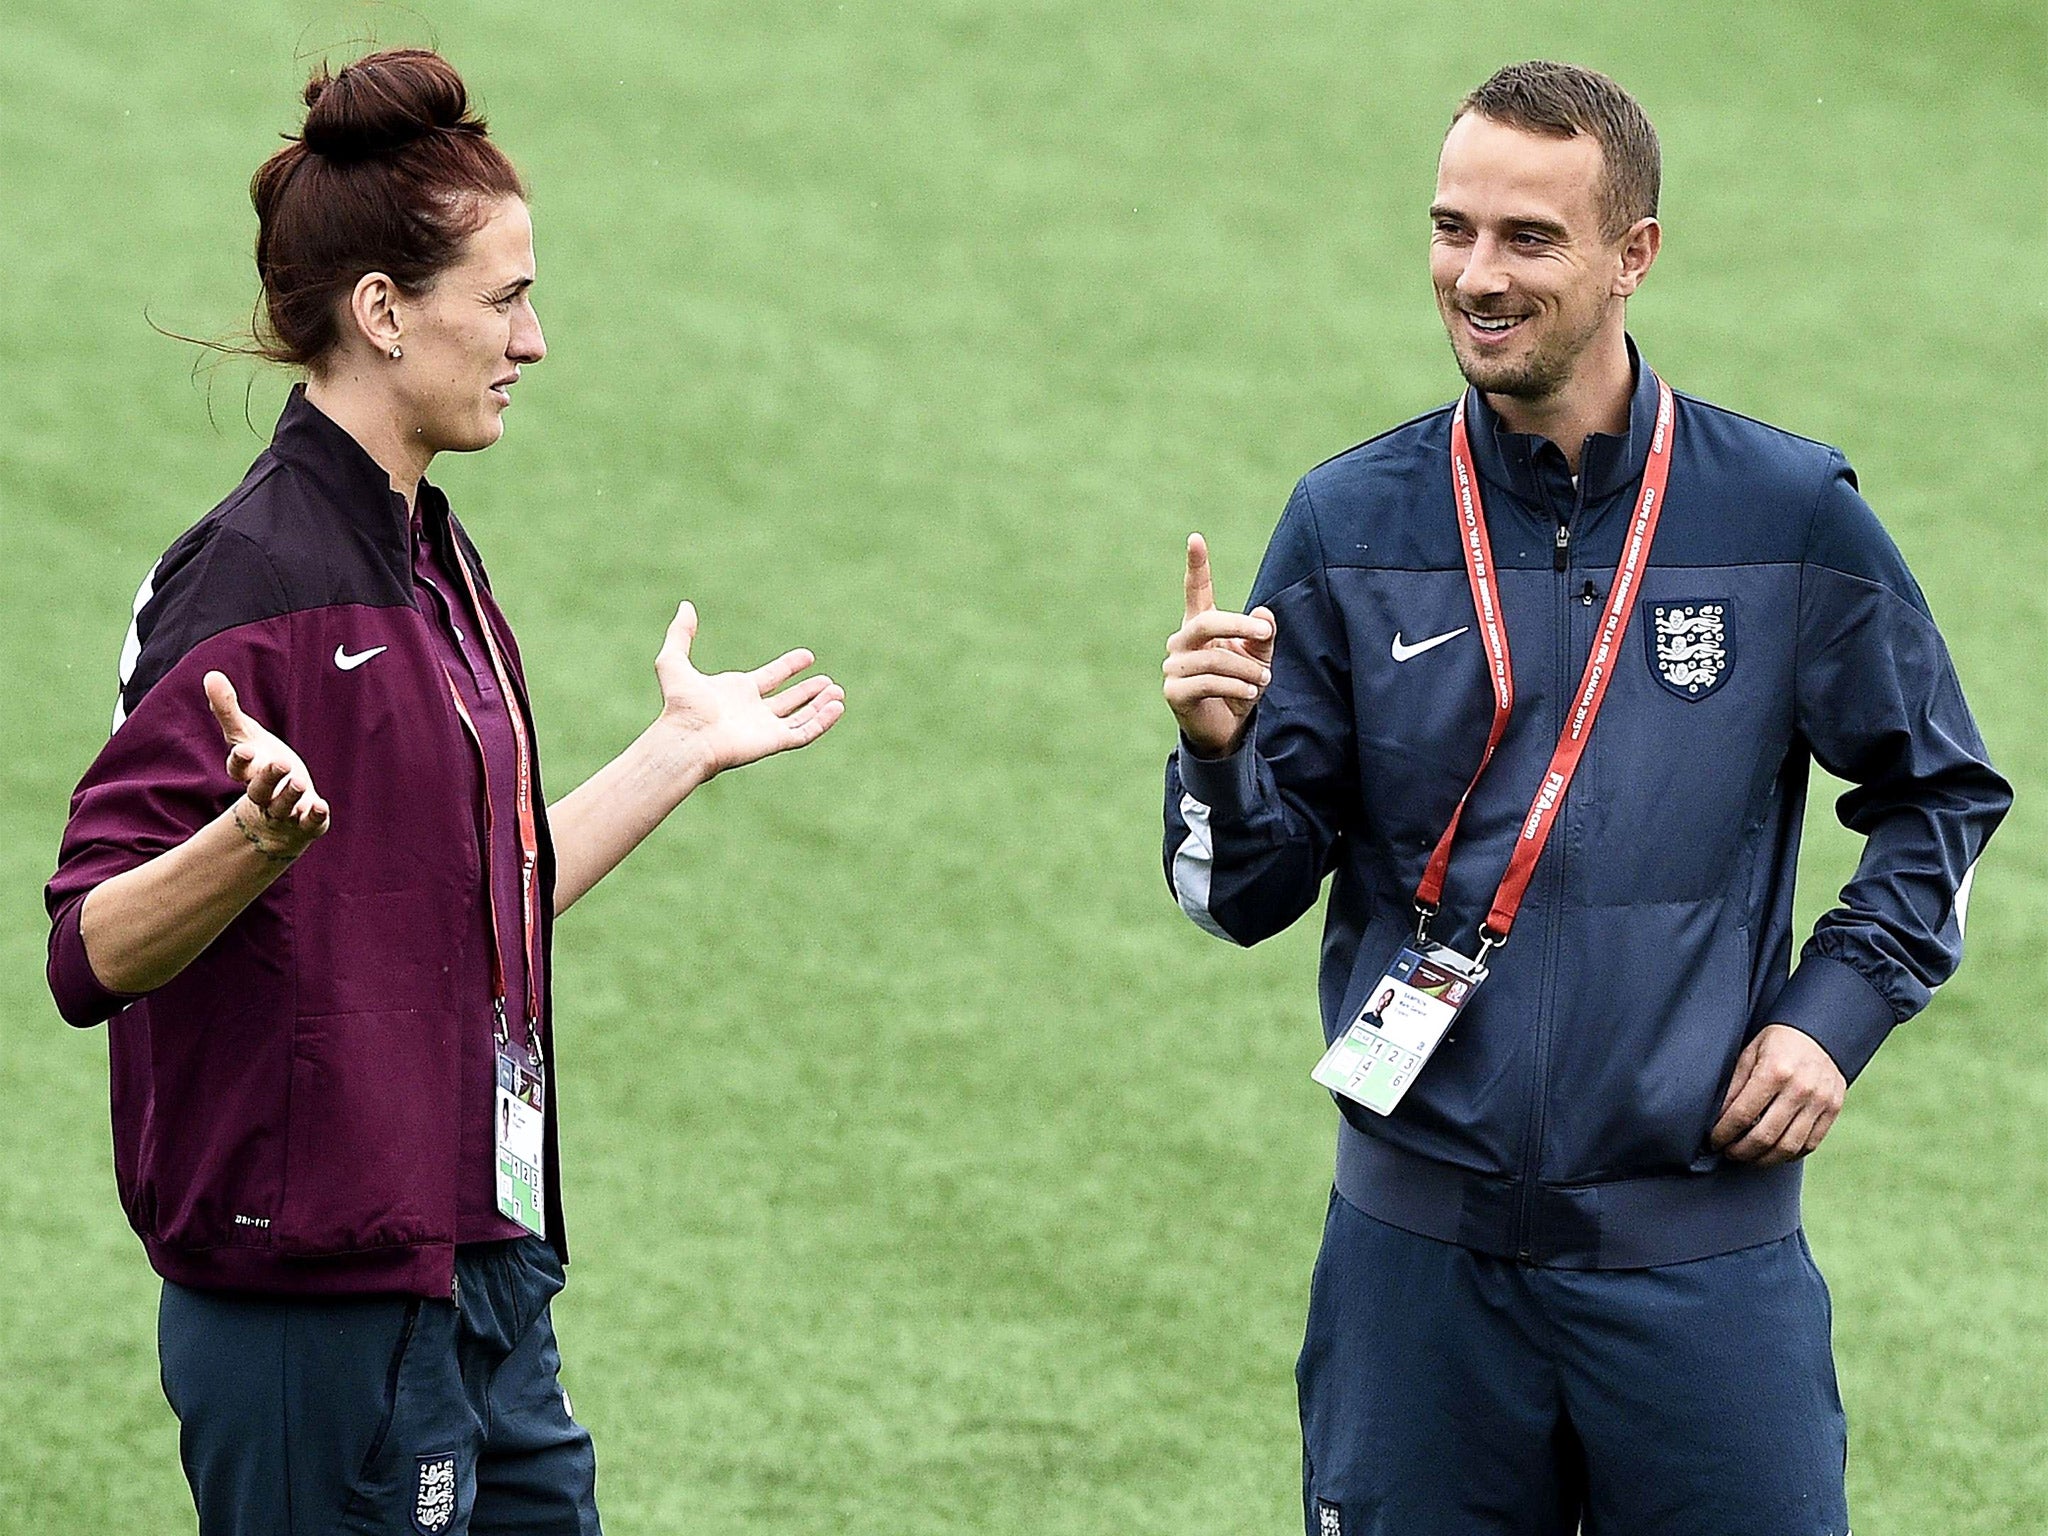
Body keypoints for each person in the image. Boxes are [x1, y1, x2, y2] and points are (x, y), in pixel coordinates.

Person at [1160, 60, 2008, 1535]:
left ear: (1636, 255)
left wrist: (1835, 1018)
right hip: (1419, 1271)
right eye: (1452, 229)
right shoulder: (1348, 521)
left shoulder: (1786, 515)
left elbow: (1943, 788)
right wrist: (1220, 756)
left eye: (1528, 239)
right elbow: (1238, 898)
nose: (1476, 276)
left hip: (1700, 1271)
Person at [45, 49, 843, 1536]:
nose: (535, 338)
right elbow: (88, 949)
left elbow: (481, 893)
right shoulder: (249, 582)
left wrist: (672, 754)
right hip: (312, 1303)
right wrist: (246, 842)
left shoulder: (436, 563)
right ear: (382, 311)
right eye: (507, 297)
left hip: (472, 1263)